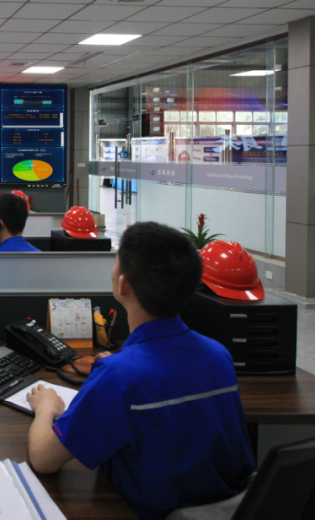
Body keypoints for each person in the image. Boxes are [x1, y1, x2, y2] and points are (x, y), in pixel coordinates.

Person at [25, 222, 254, 520]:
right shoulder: (218, 355)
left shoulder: (119, 377)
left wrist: (45, 408)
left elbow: (43, 459)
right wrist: (124, 362)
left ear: (123, 285)